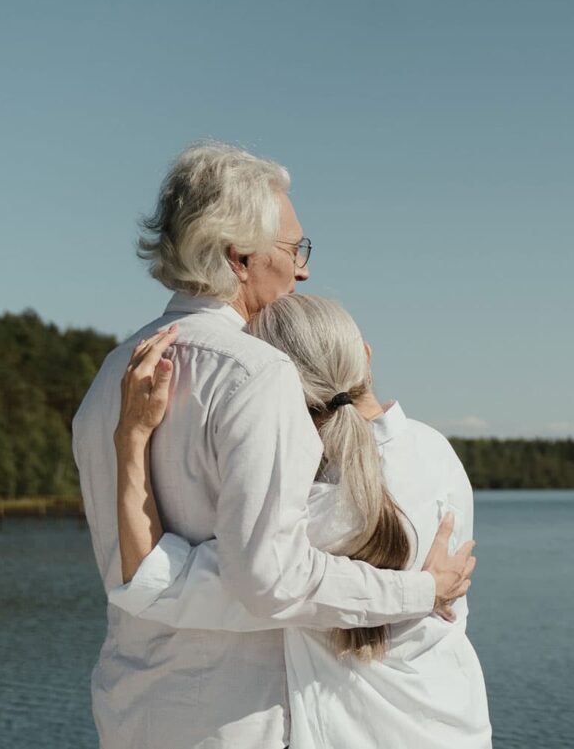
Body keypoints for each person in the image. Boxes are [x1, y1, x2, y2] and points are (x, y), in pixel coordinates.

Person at [71, 141, 476, 749]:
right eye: (293, 249)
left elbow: (132, 571)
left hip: (134, 711)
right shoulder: (259, 374)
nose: (303, 269)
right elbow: (271, 579)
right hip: (238, 720)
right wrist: (421, 590)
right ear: (238, 258)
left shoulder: (110, 377)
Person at [116, 294, 491, 748]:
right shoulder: (438, 453)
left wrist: (131, 438)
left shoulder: (316, 514)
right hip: (458, 727)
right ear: (366, 357)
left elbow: (158, 582)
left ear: (278, 397)